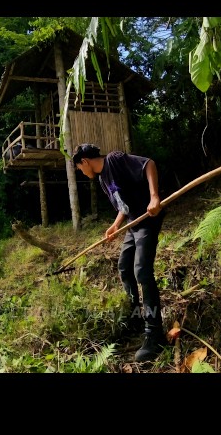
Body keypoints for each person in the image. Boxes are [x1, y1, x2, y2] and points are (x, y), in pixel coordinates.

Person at [72, 143, 168, 362]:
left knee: (142, 271)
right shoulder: (102, 179)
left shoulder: (114, 160)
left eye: (79, 168)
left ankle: (155, 334)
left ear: (84, 161)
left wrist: (154, 197)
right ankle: (136, 316)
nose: (81, 172)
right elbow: (123, 207)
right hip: (133, 221)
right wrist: (116, 225)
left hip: (148, 218)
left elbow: (148, 164)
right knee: (124, 267)